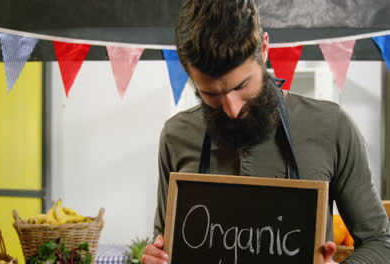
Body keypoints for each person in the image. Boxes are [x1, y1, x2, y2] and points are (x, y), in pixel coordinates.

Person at [142, 0, 390, 263]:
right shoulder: (175, 136)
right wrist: (156, 257)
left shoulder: (333, 127)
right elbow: (164, 243)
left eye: (241, 85)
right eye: (211, 94)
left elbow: (381, 243)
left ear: (264, 48)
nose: (232, 109)